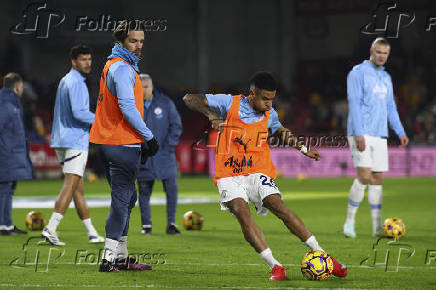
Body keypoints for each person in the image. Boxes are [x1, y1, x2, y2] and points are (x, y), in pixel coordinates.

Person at [183, 71, 347, 281]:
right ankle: (275, 266)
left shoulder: (270, 114)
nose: (269, 104)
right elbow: (189, 98)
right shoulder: (228, 103)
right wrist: (211, 116)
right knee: (243, 214)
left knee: (279, 207)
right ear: (252, 94)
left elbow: (281, 131)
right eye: (265, 99)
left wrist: (304, 149)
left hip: (257, 170)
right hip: (228, 174)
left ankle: (324, 256)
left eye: (272, 99)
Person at [89, 20, 159, 272]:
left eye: (141, 41)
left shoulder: (113, 65)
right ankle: (108, 259)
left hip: (109, 142)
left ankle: (120, 256)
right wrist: (148, 136)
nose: (139, 46)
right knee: (122, 199)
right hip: (121, 143)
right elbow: (127, 107)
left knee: (128, 198)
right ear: (121, 41)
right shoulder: (122, 69)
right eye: (133, 41)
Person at [344, 37, 409, 238]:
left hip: (380, 134)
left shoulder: (386, 78)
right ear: (371, 51)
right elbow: (353, 103)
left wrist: (400, 131)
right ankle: (349, 222)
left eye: (385, 53)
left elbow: (391, 107)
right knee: (364, 175)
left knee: (377, 178)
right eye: (378, 52)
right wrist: (359, 132)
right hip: (361, 132)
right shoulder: (358, 73)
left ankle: (376, 228)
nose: (381, 56)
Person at [42, 45, 104, 246]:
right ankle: (51, 228)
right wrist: (102, 120)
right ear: (74, 61)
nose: (88, 63)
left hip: (62, 138)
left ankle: (91, 232)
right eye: (83, 59)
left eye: (89, 59)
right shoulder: (77, 82)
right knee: (70, 184)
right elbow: (79, 113)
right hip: (75, 139)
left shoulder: (65, 80)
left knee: (78, 189)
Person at [137, 74, 183, 235]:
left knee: (171, 190)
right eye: (139, 87)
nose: (143, 90)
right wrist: (140, 149)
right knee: (143, 192)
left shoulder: (165, 103)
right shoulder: (131, 105)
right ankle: (146, 226)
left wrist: (168, 146)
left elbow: (176, 126)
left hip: (165, 156)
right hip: (144, 158)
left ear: (152, 87)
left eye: (145, 87)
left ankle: (171, 223)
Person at [0, 73, 32, 236]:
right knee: (4, 188)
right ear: (18, 87)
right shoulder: (6, 103)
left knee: (9, 188)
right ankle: (3, 225)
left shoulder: (11, 102)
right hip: (6, 153)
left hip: (11, 153)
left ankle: (7, 224)